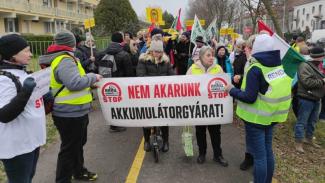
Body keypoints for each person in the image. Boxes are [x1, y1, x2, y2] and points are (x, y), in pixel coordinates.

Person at [226, 34, 292, 183]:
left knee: (260, 156)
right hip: (272, 115)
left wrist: (231, 90)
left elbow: (250, 97)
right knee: (268, 151)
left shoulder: (255, 67)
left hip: (256, 119)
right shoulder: (277, 65)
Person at [40, 30, 102, 182]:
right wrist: (93, 77)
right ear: (71, 44)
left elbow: (71, 82)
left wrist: (89, 85)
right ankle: (63, 179)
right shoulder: (65, 60)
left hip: (74, 110)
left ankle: (79, 171)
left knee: (76, 145)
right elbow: (74, 83)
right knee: (69, 149)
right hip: (69, 112)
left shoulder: (63, 58)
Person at [0, 34, 46, 183]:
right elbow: (4, 115)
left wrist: (45, 95)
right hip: (17, 146)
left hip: (31, 140)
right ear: (13, 54)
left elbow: (30, 105)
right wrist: (26, 92)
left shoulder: (22, 72)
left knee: (28, 177)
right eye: (26, 50)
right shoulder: (3, 79)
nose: (31, 54)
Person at [186, 46, 229, 166]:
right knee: (200, 132)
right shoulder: (192, 69)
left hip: (214, 108)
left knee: (215, 132)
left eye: (212, 55)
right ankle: (202, 153)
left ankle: (218, 155)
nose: (211, 58)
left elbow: (225, 84)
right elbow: (185, 87)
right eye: (208, 55)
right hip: (198, 108)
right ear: (201, 57)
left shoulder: (218, 68)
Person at [137, 39, 175, 152]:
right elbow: (140, 76)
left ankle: (166, 140)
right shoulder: (143, 61)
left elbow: (172, 76)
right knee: (147, 118)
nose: (157, 54)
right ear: (151, 50)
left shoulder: (166, 61)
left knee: (164, 118)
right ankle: (147, 140)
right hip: (148, 95)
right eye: (155, 51)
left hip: (163, 96)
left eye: (159, 52)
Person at [101, 32, 135, 132]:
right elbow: (129, 72)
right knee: (122, 103)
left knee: (111, 104)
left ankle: (113, 124)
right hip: (121, 83)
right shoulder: (124, 54)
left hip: (107, 83)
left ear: (111, 40)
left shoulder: (103, 52)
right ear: (122, 41)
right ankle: (119, 122)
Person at [294, 47, 325, 153]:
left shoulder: (318, 66)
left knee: (312, 121)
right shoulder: (304, 66)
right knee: (302, 122)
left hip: (316, 98)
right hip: (306, 98)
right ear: (318, 57)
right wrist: (322, 81)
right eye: (322, 56)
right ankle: (298, 142)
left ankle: (309, 139)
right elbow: (306, 82)